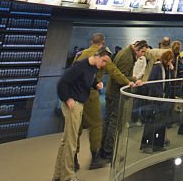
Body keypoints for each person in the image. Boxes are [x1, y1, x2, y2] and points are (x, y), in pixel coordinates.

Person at [52, 48, 109, 181]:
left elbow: (87, 80)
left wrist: (96, 85)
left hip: (79, 103)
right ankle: (68, 176)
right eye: (104, 60)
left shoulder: (93, 68)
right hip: (73, 105)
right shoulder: (79, 66)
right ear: (97, 56)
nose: (104, 64)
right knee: (71, 142)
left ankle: (58, 175)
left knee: (66, 141)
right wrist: (67, 98)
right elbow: (62, 83)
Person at [100, 40, 149, 162]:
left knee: (108, 121)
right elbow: (120, 76)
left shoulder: (125, 53)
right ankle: (108, 150)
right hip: (116, 94)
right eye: (142, 51)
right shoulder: (127, 57)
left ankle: (103, 148)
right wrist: (133, 80)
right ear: (137, 48)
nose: (142, 55)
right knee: (114, 122)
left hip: (111, 92)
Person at [70, 33, 106, 169]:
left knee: (76, 128)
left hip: (76, 93)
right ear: (102, 42)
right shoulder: (101, 55)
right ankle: (95, 158)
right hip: (91, 93)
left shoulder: (80, 54)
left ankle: (73, 160)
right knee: (96, 125)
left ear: (92, 41)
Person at [141, 49, 176, 153]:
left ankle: (158, 144)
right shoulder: (157, 67)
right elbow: (151, 82)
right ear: (166, 59)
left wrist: (172, 69)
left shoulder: (168, 68)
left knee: (161, 122)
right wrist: (159, 93)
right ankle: (146, 145)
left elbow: (171, 81)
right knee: (151, 122)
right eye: (170, 59)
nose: (171, 61)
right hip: (155, 99)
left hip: (164, 99)